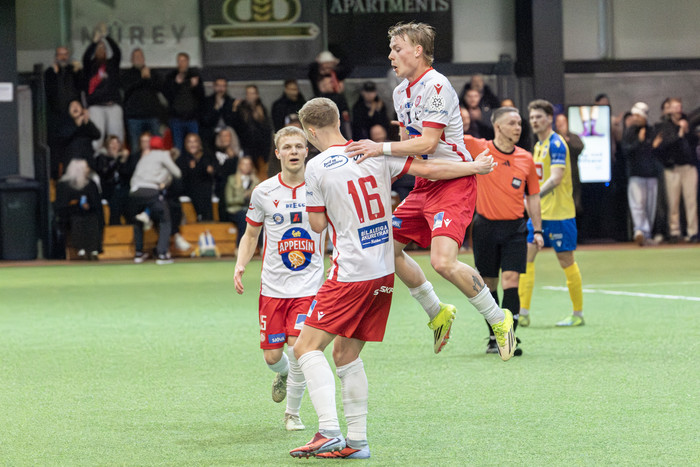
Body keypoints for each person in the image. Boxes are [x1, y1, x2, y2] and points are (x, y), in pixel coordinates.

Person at [290, 97, 499, 459]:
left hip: (350, 272)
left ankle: (328, 431)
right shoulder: (373, 152)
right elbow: (431, 170)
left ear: (310, 132)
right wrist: (474, 168)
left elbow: (318, 224)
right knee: (344, 354)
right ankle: (358, 443)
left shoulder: (317, 166)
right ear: (338, 121)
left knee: (305, 348)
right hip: (383, 271)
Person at [345, 21, 516, 358]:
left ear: (418, 50)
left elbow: (428, 143)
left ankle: (499, 319)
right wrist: (384, 167)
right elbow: (408, 144)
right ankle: (437, 311)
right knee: (386, 250)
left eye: (397, 49)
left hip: (453, 183)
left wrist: (378, 148)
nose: (391, 56)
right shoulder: (400, 92)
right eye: (391, 49)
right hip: (424, 183)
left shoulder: (436, 85)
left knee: (442, 262)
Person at [233, 127, 323, 432]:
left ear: (307, 151)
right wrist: (240, 265)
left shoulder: (320, 187)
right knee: (273, 357)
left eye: (299, 146)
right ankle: (282, 374)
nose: (293, 151)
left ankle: (292, 414)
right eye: (287, 147)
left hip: (309, 286)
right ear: (278, 153)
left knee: (299, 349)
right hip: (273, 288)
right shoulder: (264, 192)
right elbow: (251, 235)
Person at [463, 106, 544, 355]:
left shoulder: (526, 158)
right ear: (497, 126)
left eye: (519, 123)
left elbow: (533, 196)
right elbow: (442, 137)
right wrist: (410, 128)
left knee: (511, 280)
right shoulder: (478, 146)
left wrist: (538, 230)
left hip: (515, 229)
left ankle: (508, 337)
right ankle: (494, 336)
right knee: (488, 284)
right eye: (512, 123)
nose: (518, 128)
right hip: (485, 227)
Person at [519, 99, 584, 327]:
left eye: (539, 117)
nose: (534, 121)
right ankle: (523, 313)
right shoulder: (539, 145)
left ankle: (578, 314)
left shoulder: (556, 144)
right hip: (539, 214)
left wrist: (532, 195)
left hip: (560, 214)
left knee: (566, 260)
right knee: (526, 259)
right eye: (532, 117)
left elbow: (556, 178)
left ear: (550, 119)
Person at [129, 135, 182, 264]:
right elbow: (177, 173)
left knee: (138, 221)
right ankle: (162, 254)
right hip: (150, 190)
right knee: (165, 219)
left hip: (134, 191)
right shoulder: (163, 155)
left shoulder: (145, 156)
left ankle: (138, 253)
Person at [653, 97, 698, 243]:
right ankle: (674, 231)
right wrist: (679, 132)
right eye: (675, 107)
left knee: (691, 201)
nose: (678, 110)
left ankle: (693, 232)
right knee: (673, 202)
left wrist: (687, 130)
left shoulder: (688, 122)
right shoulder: (663, 126)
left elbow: (694, 141)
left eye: (679, 106)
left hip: (688, 167)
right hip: (672, 168)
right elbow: (664, 145)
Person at [621, 102, 660, 246]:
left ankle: (647, 234)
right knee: (638, 204)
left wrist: (651, 145)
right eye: (634, 115)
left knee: (650, 206)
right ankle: (640, 230)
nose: (635, 118)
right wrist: (639, 141)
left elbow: (655, 150)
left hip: (651, 174)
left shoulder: (652, 130)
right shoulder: (630, 132)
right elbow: (626, 150)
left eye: (638, 115)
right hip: (636, 174)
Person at [82, 22, 124, 151]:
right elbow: (85, 57)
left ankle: (117, 161)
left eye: (103, 48)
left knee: (116, 139)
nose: (101, 50)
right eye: (99, 48)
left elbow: (117, 52)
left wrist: (106, 37)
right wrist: (94, 42)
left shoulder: (112, 64)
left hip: (112, 105)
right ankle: (95, 161)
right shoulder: (90, 65)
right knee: (96, 140)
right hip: (96, 107)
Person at [45, 45, 82, 178]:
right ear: (56, 56)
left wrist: (79, 71)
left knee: (72, 151)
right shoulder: (50, 72)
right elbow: (48, 94)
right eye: (60, 54)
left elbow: (82, 87)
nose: (63, 57)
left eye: (65, 54)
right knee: (55, 153)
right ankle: (54, 180)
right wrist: (54, 74)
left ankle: (71, 178)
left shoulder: (74, 71)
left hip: (72, 118)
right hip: (56, 119)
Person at [55, 159, 104, 260]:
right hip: (71, 214)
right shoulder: (64, 185)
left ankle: (93, 249)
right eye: (86, 167)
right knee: (77, 220)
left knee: (93, 219)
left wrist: (89, 206)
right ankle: (80, 249)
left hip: (89, 213)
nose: (88, 169)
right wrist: (76, 205)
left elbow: (96, 202)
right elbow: (61, 205)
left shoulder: (91, 184)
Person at [121, 48, 164, 153]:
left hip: (152, 115)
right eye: (136, 57)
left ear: (144, 59)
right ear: (132, 60)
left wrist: (149, 78)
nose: (138, 59)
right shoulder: (127, 74)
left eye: (140, 56)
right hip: (134, 117)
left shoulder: (152, 73)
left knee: (157, 146)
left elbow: (161, 88)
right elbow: (127, 89)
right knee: (136, 147)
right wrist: (142, 79)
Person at [163, 52, 204, 152]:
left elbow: (202, 96)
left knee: (194, 146)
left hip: (192, 118)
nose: (181, 63)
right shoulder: (171, 77)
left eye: (183, 61)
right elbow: (167, 96)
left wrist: (195, 87)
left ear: (188, 62)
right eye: (179, 61)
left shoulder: (194, 76)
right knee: (178, 147)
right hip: (176, 118)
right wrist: (176, 84)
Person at [231, 85, 273, 177]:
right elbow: (235, 125)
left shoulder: (262, 109)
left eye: (252, 93)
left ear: (257, 95)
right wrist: (234, 109)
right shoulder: (241, 109)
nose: (250, 96)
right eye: (248, 93)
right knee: (248, 174)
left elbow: (267, 130)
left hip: (262, 148)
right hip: (246, 147)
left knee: (263, 173)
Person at [95, 135, 135, 225]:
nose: (115, 145)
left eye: (117, 143)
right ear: (107, 145)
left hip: (123, 190)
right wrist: (116, 160)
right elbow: (105, 172)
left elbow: (127, 174)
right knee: (115, 202)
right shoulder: (102, 158)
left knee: (128, 201)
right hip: (109, 190)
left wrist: (123, 161)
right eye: (112, 143)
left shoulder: (125, 158)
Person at [178, 133, 215, 221]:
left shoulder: (207, 156)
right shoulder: (182, 159)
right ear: (185, 145)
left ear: (199, 144)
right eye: (189, 142)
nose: (192, 144)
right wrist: (190, 169)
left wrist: (211, 170)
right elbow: (182, 177)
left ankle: (207, 218)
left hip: (206, 188)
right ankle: (200, 215)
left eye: (195, 141)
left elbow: (215, 171)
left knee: (205, 189)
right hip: (189, 188)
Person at [225, 156, 260, 245]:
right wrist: (243, 197)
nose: (246, 166)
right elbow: (229, 200)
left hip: (250, 210)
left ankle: (262, 247)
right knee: (244, 219)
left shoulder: (255, 181)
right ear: (239, 166)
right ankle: (239, 247)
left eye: (248, 164)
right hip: (235, 210)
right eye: (244, 164)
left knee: (259, 220)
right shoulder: (232, 179)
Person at [555, 113, 584, 214]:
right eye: (558, 122)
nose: (560, 124)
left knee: (574, 202)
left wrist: (567, 141)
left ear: (567, 123)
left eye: (562, 122)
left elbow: (580, 147)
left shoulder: (573, 137)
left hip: (572, 174)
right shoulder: (553, 138)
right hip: (558, 175)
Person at [60, 100, 101, 167]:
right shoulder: (65, 124)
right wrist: (76, 125)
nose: (75, 107)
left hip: (87, 163)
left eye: (77, 105)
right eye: (72, 106)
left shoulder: (86, 124)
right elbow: (63, 139)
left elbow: (97, 135)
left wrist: (87, 123)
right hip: (72, 163)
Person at [200, 77, 235, 153]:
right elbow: (205, 121)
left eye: (223, 86)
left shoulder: (230, 102)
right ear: (214, 87)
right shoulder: (207, 101)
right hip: (212, 132)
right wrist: (216, 108)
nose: (221, 89)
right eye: (218, 86)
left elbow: (231, 121)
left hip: (227, 132)